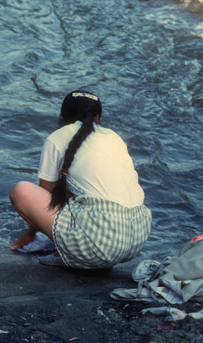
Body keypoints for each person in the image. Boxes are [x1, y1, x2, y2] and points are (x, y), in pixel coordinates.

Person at [9, 90, 151, 269]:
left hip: (101, 245)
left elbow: (47, 196)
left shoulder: (57, 138)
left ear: (62, 117)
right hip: (137, 238)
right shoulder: (114, 137)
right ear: (97, 117)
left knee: (21, 191)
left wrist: (30, 235)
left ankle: (70, 252)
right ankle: (85, 252)